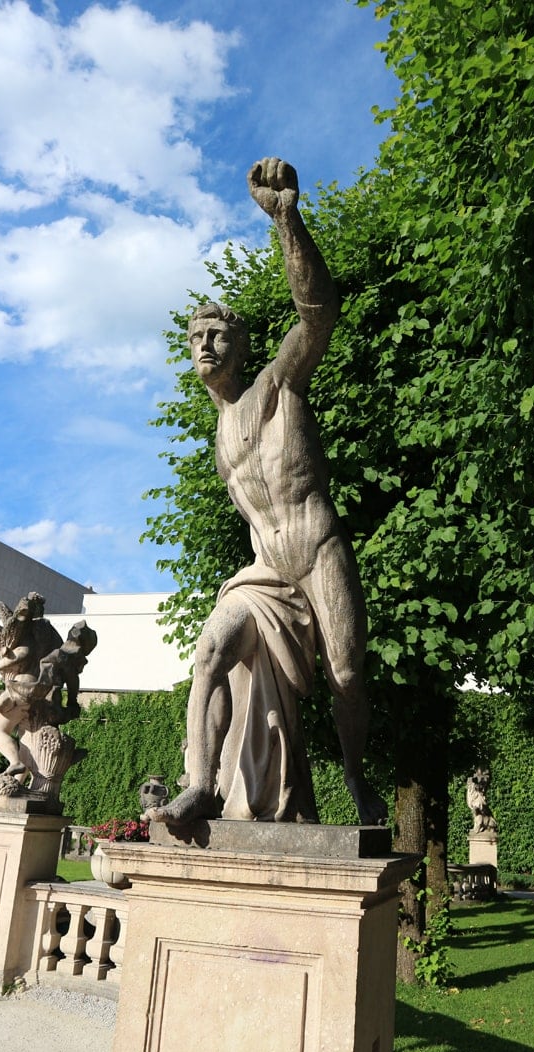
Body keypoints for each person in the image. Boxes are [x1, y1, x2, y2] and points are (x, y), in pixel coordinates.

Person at [149, 157, 386, 827]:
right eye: (197, 336)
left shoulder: (276, 386)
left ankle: (355, 776)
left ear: (244, 344)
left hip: (317, 554)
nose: (206, 342)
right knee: (210, 653)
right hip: (263, 576)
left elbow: (318, 313)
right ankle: (200, 782)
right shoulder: (221, 442)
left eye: (219, 333)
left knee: (346, 676)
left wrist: (286, 219)